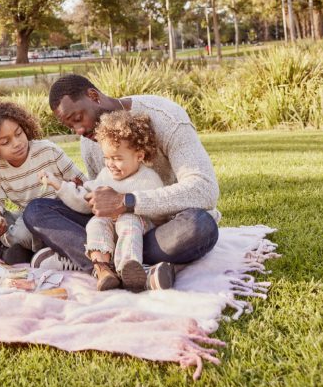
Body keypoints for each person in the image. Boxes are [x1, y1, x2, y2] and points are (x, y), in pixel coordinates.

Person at [23, 74, 220, 274]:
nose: (79, 130)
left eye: (77, 119)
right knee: (36, 211)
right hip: (114, 230)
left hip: (162, 227)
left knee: (200, 226)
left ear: (93, 96)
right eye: (71, 126)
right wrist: (76, 191)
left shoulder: (167, 118)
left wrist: (127, 201)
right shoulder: (90, 141)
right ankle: (119, 265)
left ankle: (99, 262)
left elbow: (205, 190)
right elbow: (102, 205)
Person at [42, 110, 174, 292]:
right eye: (107, 158)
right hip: (110, 235)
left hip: (140, 233)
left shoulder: (148, 179)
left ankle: (129, 267)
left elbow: (159, 213)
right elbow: (85, 200)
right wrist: (59, 185)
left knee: (129, 219)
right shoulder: (105, 175)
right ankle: (102, 268)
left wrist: (129, 208)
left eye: (118, 158)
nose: (110, 164)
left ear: (139, 156)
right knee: (97, 221)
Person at [0, 102, 84, 264]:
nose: (17, 143)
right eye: (5, 142)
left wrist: (71, 187)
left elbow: (82, 183)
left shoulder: (48, 151)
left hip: (56, 216)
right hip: (23, 218)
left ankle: (24, 247)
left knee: (21, 234)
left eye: (19, 133)